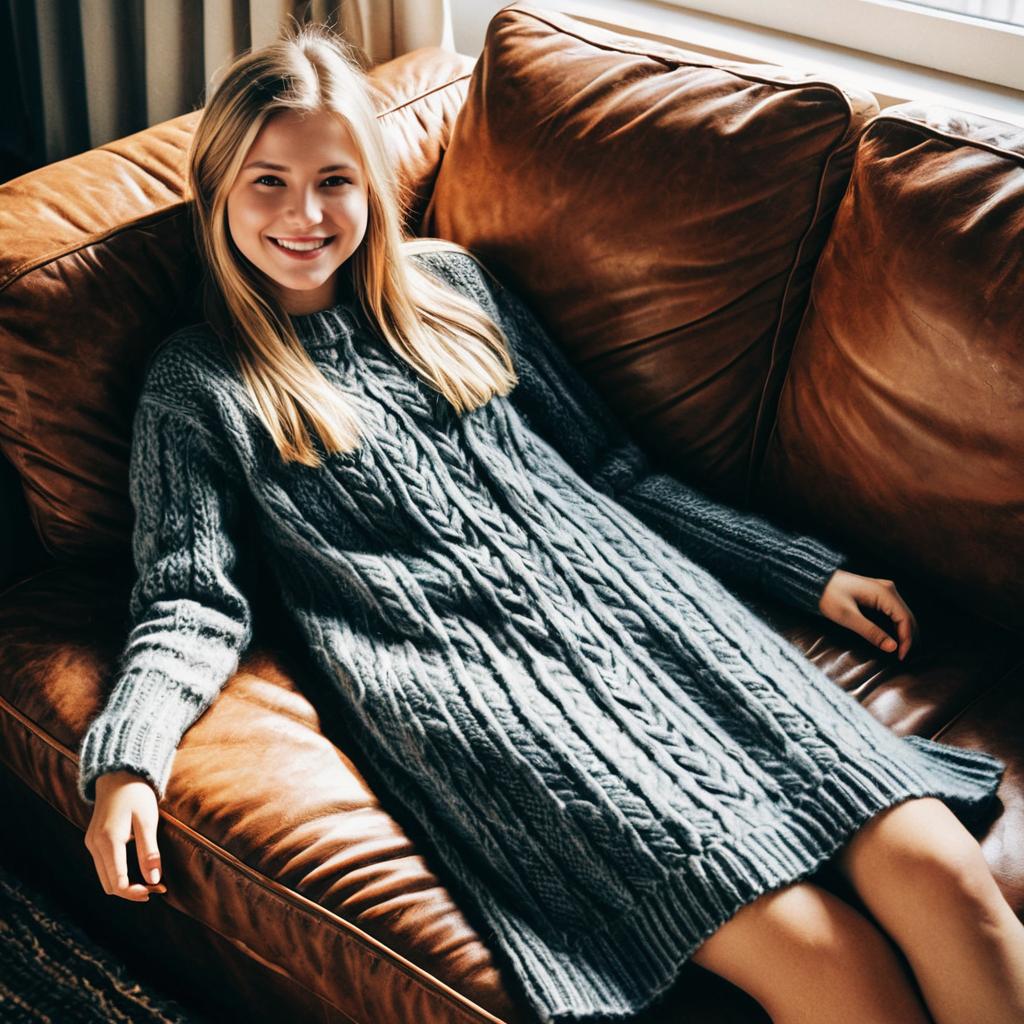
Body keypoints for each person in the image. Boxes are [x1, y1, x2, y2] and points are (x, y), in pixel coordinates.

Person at [77, 19, 1024, 1024]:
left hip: (664, 619)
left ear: (372, 186)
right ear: (216, 189)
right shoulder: (199, 385)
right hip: (494, 701)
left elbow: (614, 469)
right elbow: (189, 600)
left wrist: (806, 571)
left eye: (334, 179)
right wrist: (129, 760)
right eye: (267, 181)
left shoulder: (452, 288)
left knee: (944, 879)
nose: (304, 213)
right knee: (835, 969)